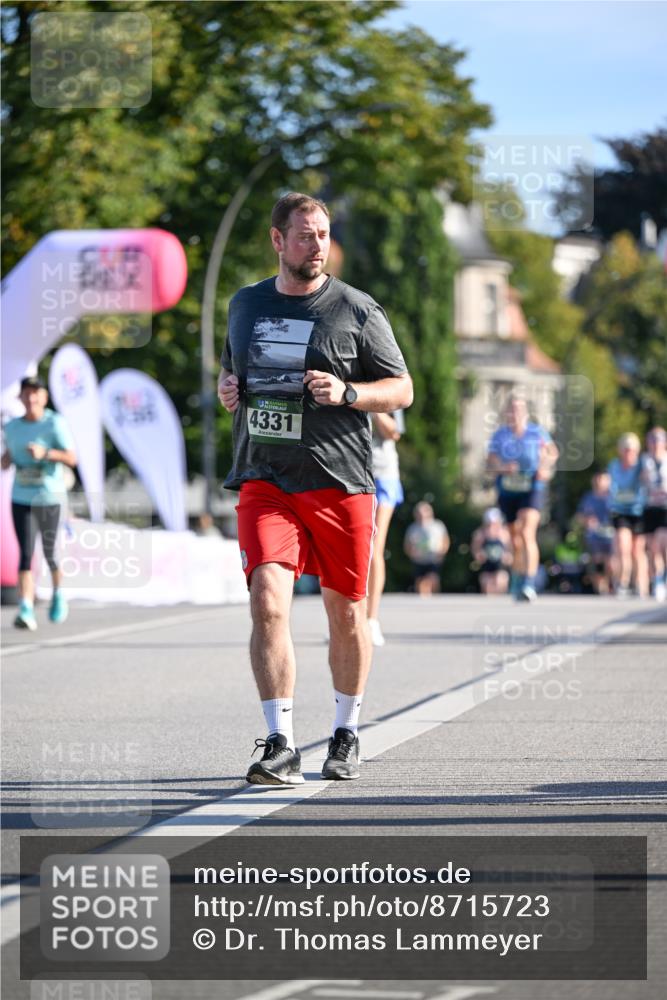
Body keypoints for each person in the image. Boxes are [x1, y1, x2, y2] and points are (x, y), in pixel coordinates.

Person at [217, 192, 413, 786]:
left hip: (340, 481)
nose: (317, 245)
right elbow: (235, 370)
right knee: (268, 602)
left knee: (346, 613)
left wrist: (349, 393)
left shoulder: (356, 309)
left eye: (323, 234)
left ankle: (346, 730)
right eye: (305, 235)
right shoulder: (245, 304)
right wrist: (230, 387)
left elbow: (401, 389)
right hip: (265, 477)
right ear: (278, 241)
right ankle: (280, 742)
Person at [1, 376, 77, 630]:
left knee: (50, 553)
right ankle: (26, 607)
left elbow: (71, 458)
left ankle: (57, 593)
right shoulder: (12, 427)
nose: (31, 398)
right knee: (25, 553)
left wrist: (46, 453)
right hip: (21, 496)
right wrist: (6, 460)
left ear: (44, 397)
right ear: (21, 398)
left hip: (50, 497)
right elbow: (8, 457)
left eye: (36, 393)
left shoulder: (54, 423)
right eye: (27, 394)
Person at [487, 395, 559, 603]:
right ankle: (518, 577)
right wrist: (503, 467)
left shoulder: (537, 432)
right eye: (511, 409)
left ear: (525, 412)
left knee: (527, 532)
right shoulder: (499, 436)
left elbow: (553, 453)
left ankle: (529, 582)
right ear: (506, 413)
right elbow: (490, 462)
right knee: (515, 538)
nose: (515, 413)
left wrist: (544, 466)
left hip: (533, 487)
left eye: (519, 409)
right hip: (508, 490)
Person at [367, 410, 405, 646]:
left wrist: (370, 403)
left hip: (383, 475)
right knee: (351, 548)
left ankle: (371, 618)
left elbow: (394, 432)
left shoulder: (387, 377)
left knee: (374, 545)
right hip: (352, 472)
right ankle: (348, 616)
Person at [608, 432, 648, 598]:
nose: (628, 453)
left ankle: (641, 584)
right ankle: (622, 582)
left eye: (631, 450)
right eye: (625, 449)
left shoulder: (641, 465)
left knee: (637, 550)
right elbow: (612, 486)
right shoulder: (615, 465)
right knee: (623, 546)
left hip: (638, 511)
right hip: (620, 511)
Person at [576, 471, 615, 595]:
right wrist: (586, 520)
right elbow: (579, 515)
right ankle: (600, 588)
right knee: (597, 562)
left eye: (602, 479)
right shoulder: (588, 498)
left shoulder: (613, 497)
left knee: (610, 563)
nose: (599, 482)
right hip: (594, 536)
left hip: (611, 535)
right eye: (597, 479)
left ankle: (611, 584)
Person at [640, 427, 667, 602]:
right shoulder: (643, 461)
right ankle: (658, 580)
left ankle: (662, 578)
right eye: (652, 439)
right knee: (652, 548)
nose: (656, 443)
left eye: (659, 439)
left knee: (661, 542)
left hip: (665, 507)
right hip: (649, 507)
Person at [403, 501, 449, 596]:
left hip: (433, 559)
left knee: (432, 579)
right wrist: (411, 554)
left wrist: (442, 553)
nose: (422, 515)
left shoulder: (437, 525)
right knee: (419, 583)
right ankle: (423, 603)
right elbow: (407, 545)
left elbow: (445, 541)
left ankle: (434, 598)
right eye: (419, 513)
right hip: (419, 560)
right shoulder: (412, 528)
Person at [471, 507, 512, 595]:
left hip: (500, 565)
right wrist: (478, 555)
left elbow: (510, 550)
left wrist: (508, 557)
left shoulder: (504, 533)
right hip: (487, 565)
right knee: (486, 583)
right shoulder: (480, 534)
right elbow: (475, 548)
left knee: (501, 581)